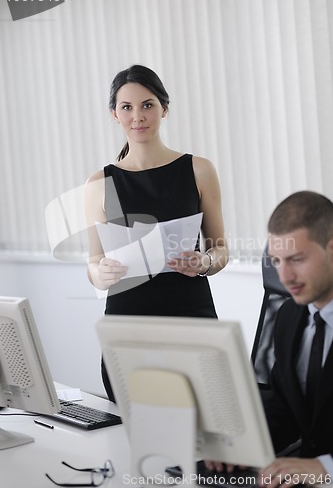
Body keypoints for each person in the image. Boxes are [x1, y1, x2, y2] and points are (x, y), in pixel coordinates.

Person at [85, 64, 229, 401]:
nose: (138, 116)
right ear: (114, 114)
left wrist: (205, 262)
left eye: (147, 105)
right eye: (127, 107)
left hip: (190, 318)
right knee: (138, 436)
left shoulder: (199, 170)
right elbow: (94, 262)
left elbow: (221, 249)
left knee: (203, 429)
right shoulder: (98, 184)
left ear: (164, 109)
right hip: (127, 326)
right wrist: (100, 274)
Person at [206, 190, 333, 487]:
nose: (285, 276)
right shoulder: (289, 316)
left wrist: (324, 466)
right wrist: (241, 447)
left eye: (297, 259)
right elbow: (284, 409)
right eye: (276, 261)